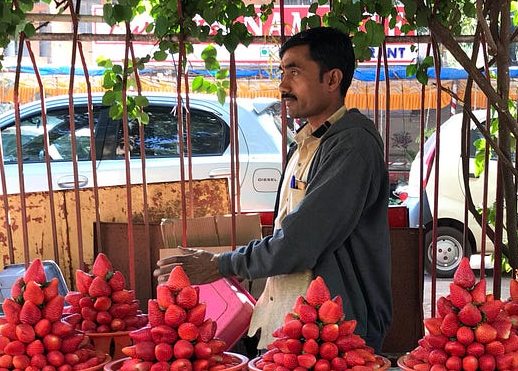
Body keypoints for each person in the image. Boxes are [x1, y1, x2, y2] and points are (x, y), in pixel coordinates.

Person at [155, 26, 392, 352]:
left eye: (295, 72)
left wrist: (221, 265)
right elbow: (287, 233)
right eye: (282, 72)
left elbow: (300, 241)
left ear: (332, 80)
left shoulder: (352, 146)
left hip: (333, 337)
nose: (282, 85)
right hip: (293, 329)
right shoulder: (306, 143)